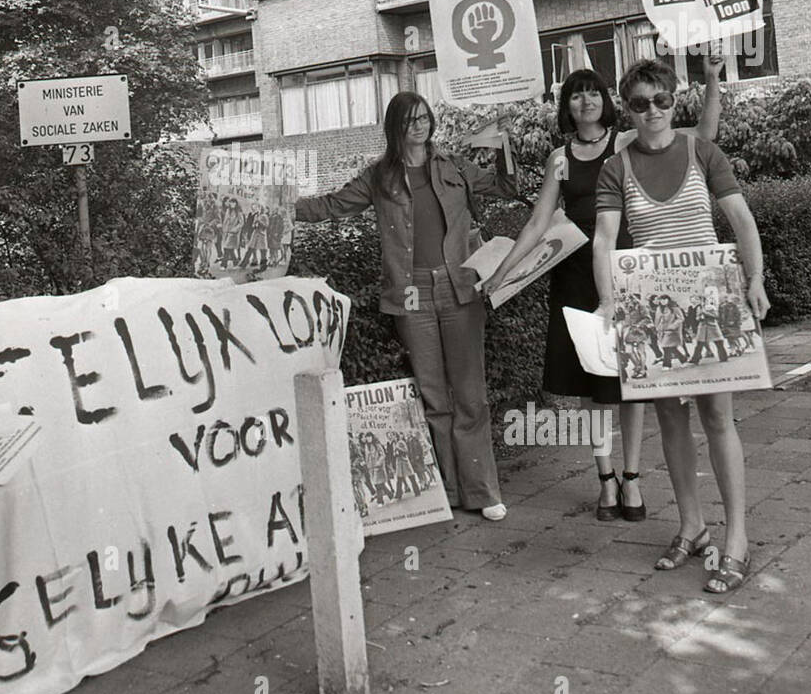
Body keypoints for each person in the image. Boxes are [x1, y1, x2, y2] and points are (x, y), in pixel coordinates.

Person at [484, 59, 721, 521]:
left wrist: (712, 81)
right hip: (575, 277)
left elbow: (705, 136)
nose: (586, 100)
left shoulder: (626, 141)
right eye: (576, 93)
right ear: (567, 108)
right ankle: (606, 478)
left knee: (630, 384)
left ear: (607, 102)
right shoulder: (560, 158)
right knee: (592, 386)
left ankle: (632, 479)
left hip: (627, 274)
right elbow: (537, 224)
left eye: (593, 91)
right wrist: (502, 273)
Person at [593, 59, 770, 594]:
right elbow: (605, 239)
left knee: (718, 418)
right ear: (628, 108)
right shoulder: (614, 167)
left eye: (662, 100)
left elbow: (741, 220)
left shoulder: (702, 151)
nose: (653, 111)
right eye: (641, 103)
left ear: (676, 100)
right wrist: (607, 301)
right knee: (669, 420)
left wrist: (756, 278)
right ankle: (692, 526)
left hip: (711, 302)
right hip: (649, 307)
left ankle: (736, 539)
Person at [295, 92, 517, 517]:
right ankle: (449, 493)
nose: (420, 126)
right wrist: (280, 208)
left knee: (471, 393)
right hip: (411, 291)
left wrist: (504, 146)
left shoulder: (452, 166)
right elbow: (331, 204)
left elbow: (506, 187)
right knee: (434, 396)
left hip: (460, 286)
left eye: (424, 118)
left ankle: (483, 492)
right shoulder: (380, 177)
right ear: (395, 127)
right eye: (410, 120)